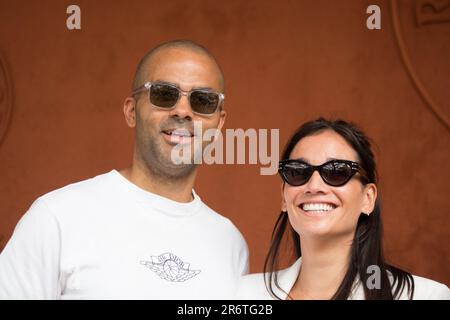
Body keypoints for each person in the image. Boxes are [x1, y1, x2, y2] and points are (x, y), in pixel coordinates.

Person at [0, 40, 249, 299]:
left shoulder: (231, 244)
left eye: (203, 100)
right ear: (131, 111)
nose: (183, 111)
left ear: (219, 123)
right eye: (164, 94)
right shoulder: (56, 218)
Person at [237, 118, 450, 300]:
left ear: (368, 198)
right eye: (298, 172)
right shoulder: (241, 295)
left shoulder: (424, 295)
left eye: (336, 172)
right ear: (284, 196)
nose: (314, 186)